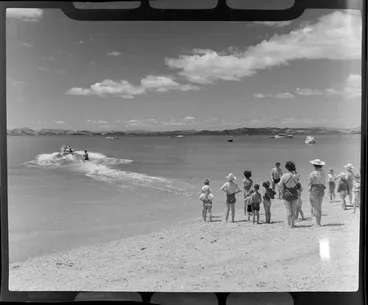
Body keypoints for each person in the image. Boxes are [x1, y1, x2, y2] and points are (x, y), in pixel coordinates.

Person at [279, 161, 300, 228]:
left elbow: (280, 185)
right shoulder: (296, 176)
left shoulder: (284, 176)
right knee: (293, 210)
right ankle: (293, 224)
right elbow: (297, 180)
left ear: (286, 168)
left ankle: (289, 224)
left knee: (288, 210)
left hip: (287, 194)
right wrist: (295, 171)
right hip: (294, 194)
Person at [307, 159, 326, 227]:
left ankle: (318, 224)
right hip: (321, 189)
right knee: (319, 207)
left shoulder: (313, 173)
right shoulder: (323, 172)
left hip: (315, 190)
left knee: (316, 207)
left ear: (314, 165)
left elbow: (308, 183)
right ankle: (318, 222)